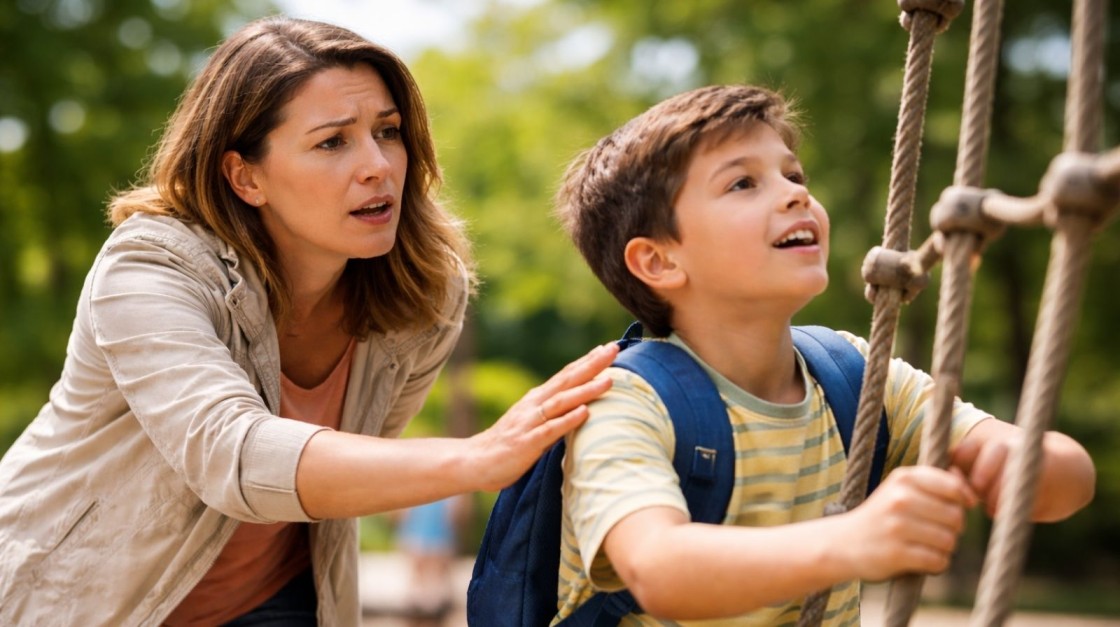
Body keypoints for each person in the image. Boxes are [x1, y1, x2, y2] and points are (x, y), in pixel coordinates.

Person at [0, 16, 619, 626]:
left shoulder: (427, 294)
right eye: (332, 142)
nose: (378, 164)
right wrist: (478, 458)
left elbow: (354, 469)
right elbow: (232, 454)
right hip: (81, 602)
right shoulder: (149, 267)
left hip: (282, 600)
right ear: (245, 176)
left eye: (389, 131)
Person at [550, 84, 1096, 625]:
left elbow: (1067, 483)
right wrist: (850, 540)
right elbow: (660, 570)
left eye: (794, 174)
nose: (795, 194)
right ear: (659, 262)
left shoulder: (851, 374)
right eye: (743, 183)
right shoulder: (622, 402)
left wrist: (1024, 460)